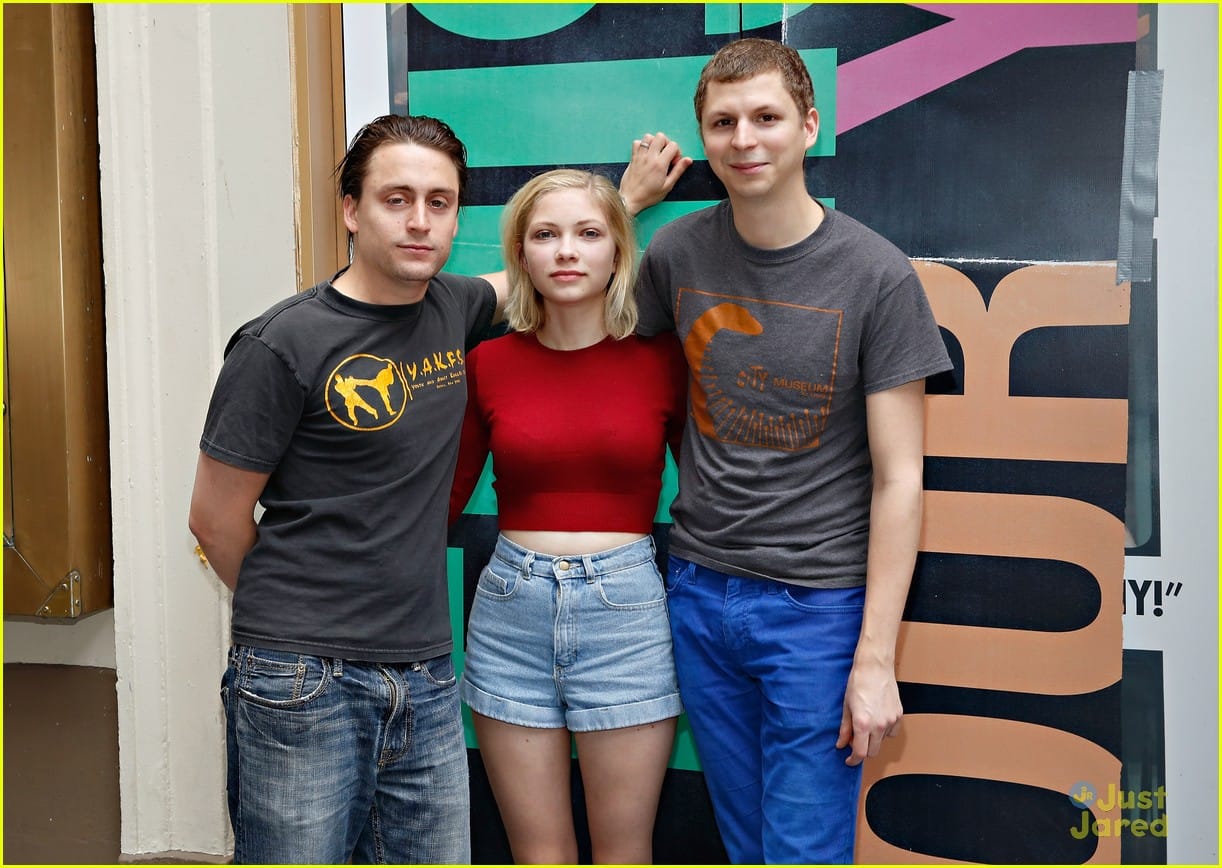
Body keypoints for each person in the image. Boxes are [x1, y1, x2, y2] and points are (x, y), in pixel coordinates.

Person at [188, 113, 686, 864]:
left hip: (424, 669)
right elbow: (214, 518)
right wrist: (291, 625)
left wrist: (625, 201)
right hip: (304, 673)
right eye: (396, 200)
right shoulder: (282, 341)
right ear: (351, 210)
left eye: (439, 202)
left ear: (456, 217)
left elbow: (560, 265)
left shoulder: (455, 308)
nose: (419, 221)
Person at [632, 38, 954, 864]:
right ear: (704, 138)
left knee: (802, 851)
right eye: (723, 123)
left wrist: (874, 659)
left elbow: (900, 480)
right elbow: (571, 309)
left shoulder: (877, 276)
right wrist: (624, 203)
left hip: (817, 610)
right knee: (749, 847)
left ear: (809, 126)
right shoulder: (676, 255)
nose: (744, 140)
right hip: (698, 591)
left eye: (766, 118)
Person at [449, 169, 688, 864]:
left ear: (618, 251)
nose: (566, 251)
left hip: (626, 616)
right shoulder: (487, 363)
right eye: (545, 235)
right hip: (509, 614)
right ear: (521, 255)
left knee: (624, 854)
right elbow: (444, 500)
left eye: (588, 233)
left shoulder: (664, 360)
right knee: (539, 855)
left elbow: (710, 494)